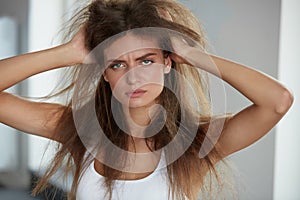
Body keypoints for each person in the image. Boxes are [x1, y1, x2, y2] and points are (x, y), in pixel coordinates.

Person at [0, 0, 293, 200]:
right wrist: (69, 52)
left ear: (168, 62)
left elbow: (277, 101)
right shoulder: (81, 131)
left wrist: (191, 53)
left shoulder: (197, 144)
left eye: (146, 61)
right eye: (117, 65)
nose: (133, 77)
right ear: (104, 73)